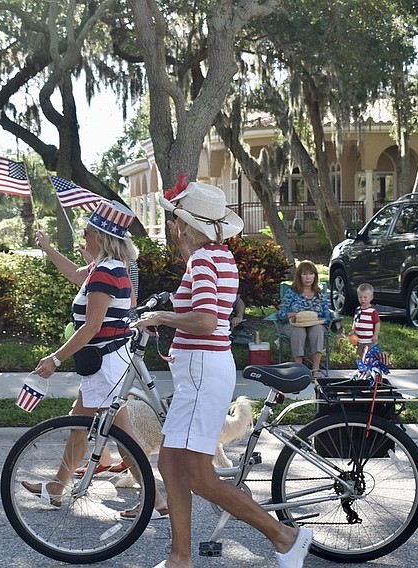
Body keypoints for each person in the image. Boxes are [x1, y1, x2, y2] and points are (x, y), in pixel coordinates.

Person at [140, 181, 311, 568]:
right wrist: (185, 249)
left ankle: (286, 536)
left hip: (201, 374)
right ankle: (179, 558)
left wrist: (160, 317)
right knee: (169, 463)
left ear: (185, 224)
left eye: (177, 220)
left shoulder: (203, 261)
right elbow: (207, 299)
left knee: (200, 477)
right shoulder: (217, 255)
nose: (175, 226)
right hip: (203, 372)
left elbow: (204, 319)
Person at [20, 200, 166, 516]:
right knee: (86, 425)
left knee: (118, 434)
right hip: (110, 361)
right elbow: (75, 273)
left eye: (87, 232)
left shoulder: (104, 272)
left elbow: (91, 327)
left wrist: (54, 360)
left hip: (105, 362)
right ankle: (58, 487)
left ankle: (154, 499)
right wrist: (47, 248)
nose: (83, 237)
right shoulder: (111, 268)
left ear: (100, 236)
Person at [277, 259, 332, 379]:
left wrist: (320, 320)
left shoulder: (319, 295)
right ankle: (299, 369)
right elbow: (281, 314)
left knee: (317, 329)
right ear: (299, 276)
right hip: (294, 324)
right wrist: (294, 315)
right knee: (298, 331)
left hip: (315, 324)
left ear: (315, 276)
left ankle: (315, 369)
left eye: (311, 274)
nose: (308, 277)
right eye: (305, 274)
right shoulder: (292, 293)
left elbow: (327, 316)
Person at [351, 283, 380, 359]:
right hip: (360, 339)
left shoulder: (372, 311)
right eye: (360, 297)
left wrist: (375, 335)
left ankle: (368, 370)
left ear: (371, 297)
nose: (362, 299)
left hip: (369, 339)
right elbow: (355, 321)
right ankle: (362, 369)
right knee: (361, 354)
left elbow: (377, 323)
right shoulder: (358, 309)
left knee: (369, 355)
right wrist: (353, 331)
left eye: (365, 297)